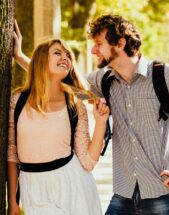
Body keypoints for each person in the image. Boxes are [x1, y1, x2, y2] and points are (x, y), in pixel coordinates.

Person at [86, 14, 169, 214]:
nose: (93, 50)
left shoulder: (164, 74)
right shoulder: (104, 80)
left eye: (99, 43)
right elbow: (62, 80)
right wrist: (20, 57)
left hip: (164, 193)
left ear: (120, 43)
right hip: (123, 193)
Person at [9, 25, 109, 215]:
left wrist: (101, 123)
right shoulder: (18, 101)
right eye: (57, 53)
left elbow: (87, 162)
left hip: (72, 186)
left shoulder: (75, 104)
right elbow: (12, 153)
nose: (66, 58)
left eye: (68, 56)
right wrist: (12, 200)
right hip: (32, 187)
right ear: (40, 60)